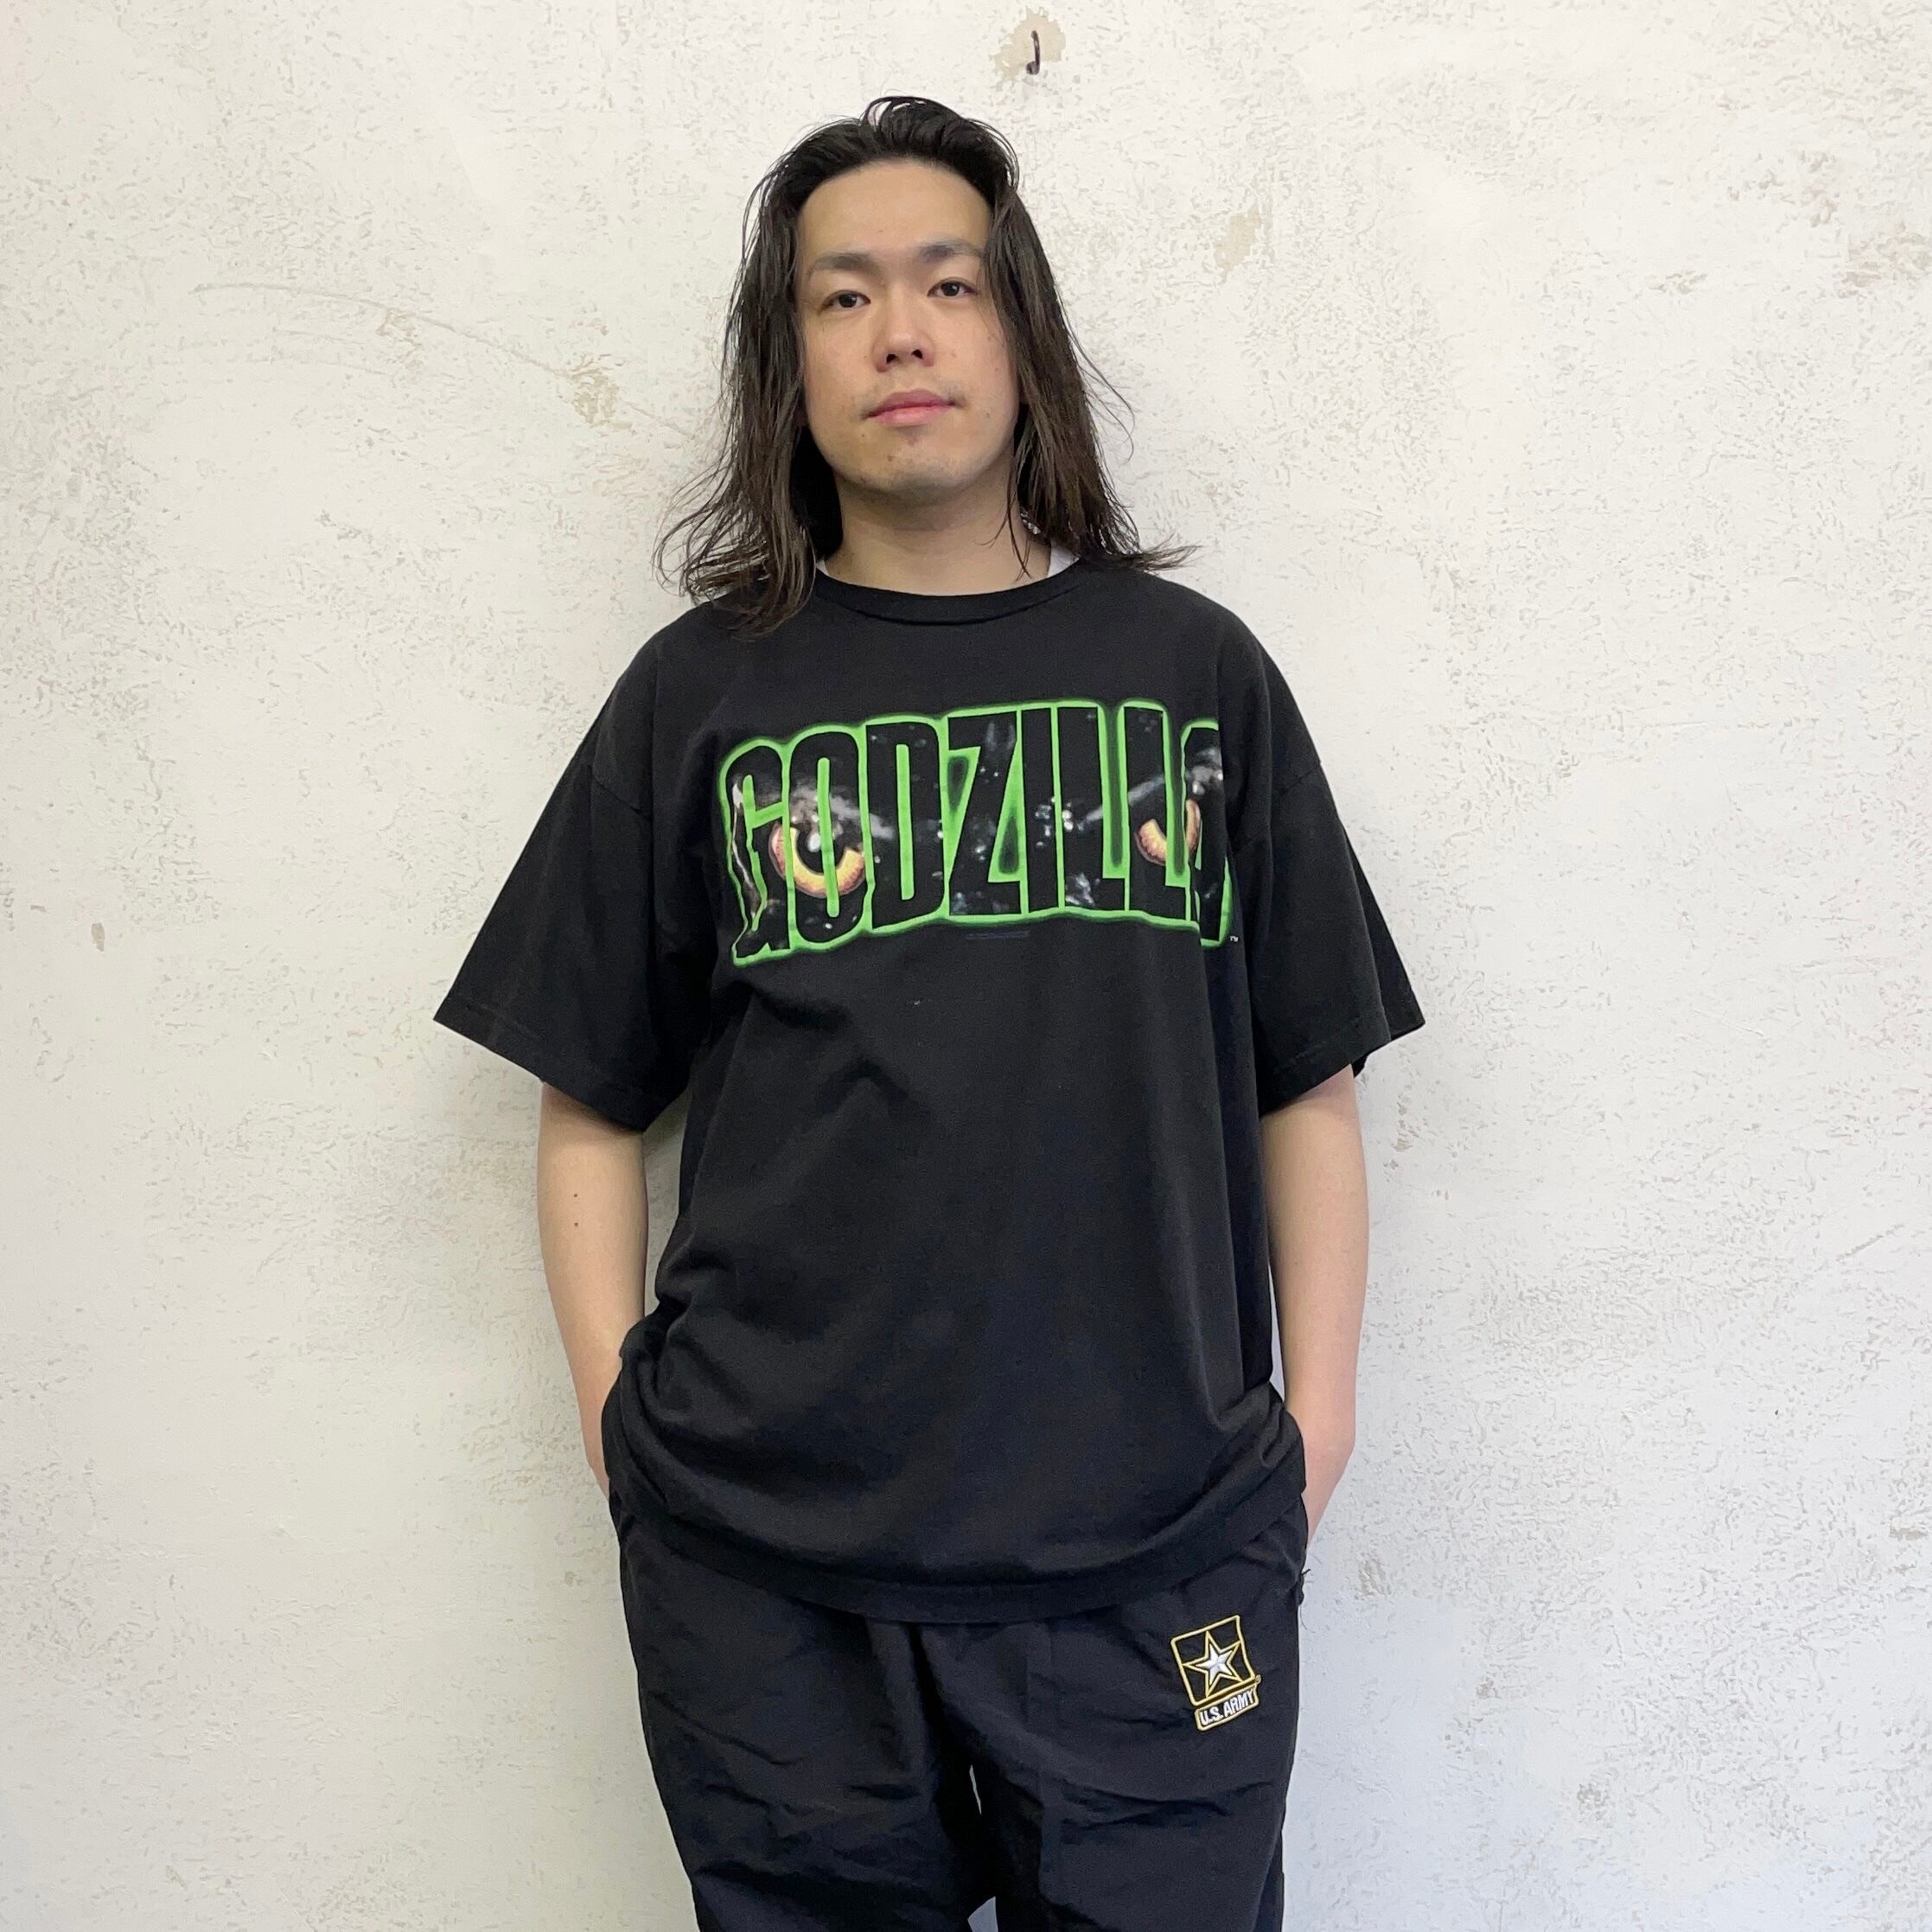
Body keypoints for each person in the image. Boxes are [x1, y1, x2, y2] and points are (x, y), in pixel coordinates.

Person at [433, 93, 1425, 1932]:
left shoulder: (1190, 676)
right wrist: (617, 1425)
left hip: (1155, 1545)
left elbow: (1307, 1073)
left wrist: (1317, 1428)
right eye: (843, 295)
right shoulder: (698, 696)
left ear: (1019, 335)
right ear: (788, 367)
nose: (901, 331)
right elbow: (587, 1091)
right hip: (764, 1564)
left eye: (948, 283)